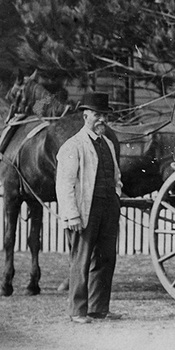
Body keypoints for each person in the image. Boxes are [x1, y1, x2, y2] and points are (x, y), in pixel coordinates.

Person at [55, 92, 123, 324]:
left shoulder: (108, 144)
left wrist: (116, 194)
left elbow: (116, 176)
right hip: (85, 210)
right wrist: (72, 214)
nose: (101, 119)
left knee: (106, 259)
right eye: (96, 115)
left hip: (108, 208)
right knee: (82, 260)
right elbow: (65, 184)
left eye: (104, 115)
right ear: (86, 116)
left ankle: (98, 309)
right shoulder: (73, 145)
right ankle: (77, 311)